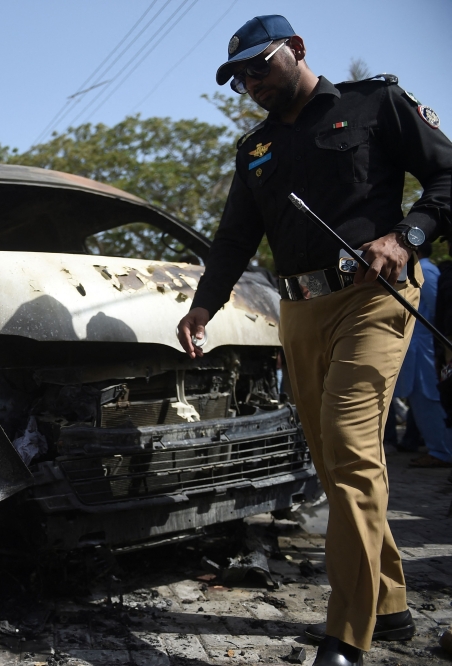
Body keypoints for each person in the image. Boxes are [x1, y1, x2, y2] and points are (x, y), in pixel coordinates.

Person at [176, 15, 452, 666]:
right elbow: (235, 238)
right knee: (333, 468)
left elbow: (447, 176)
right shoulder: (255, 151)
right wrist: (202, 306)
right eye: (238, 76)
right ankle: (389, 607)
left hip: (371, 300)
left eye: (259, 66)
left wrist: (407, 236)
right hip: (297, 312)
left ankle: (345, 636)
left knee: (352, 453)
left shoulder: (373, 103)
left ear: (296, 50)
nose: (250, 82)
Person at [394, 242, 452, 469]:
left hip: (425, 348)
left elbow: (437, 311)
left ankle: (442, 451)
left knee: (429, 397)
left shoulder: (424, 270)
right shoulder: (418, 270)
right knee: (421, 399)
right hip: (419, 347)